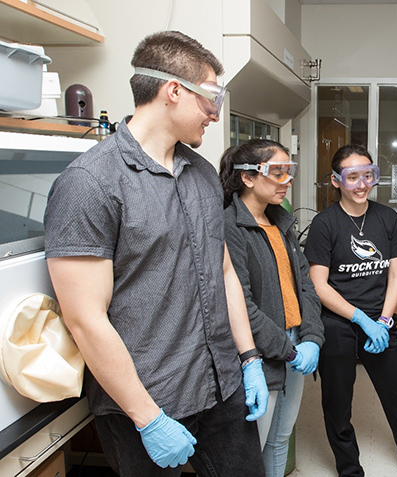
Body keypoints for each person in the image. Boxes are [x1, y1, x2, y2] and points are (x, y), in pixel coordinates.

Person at [43, 31, 269, 476]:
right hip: (147, 402)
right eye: (211, 98)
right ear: (173, 91)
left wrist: (249, 358)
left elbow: (224, 272)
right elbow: (85, 318)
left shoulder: (202, 174)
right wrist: (147, 417)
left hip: (221, 386)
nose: (214, 113)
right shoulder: (89, 183)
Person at [304, 145, 397, 477]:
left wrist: (383, 321)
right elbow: (319, 284)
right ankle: (350, 470)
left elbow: (396, 273)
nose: (361, 184)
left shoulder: (386, 218)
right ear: (336, 180)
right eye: (351, 176)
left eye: (367, 175)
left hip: (380, 321)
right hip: (339, 323)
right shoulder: (325, 224)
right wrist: (360, 319)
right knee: (338, 405)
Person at [219, 139, 325, 477]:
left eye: (288, 171)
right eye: (277, 173)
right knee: (253, 448)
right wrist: (289, 352)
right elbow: (241, 305)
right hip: (261, 350)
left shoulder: (281, 221)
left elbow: (305, 285)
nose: (287, 180)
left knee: (280, 438)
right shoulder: (230, 227)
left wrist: (311, 337)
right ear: (248, 178)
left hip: (295, 341)